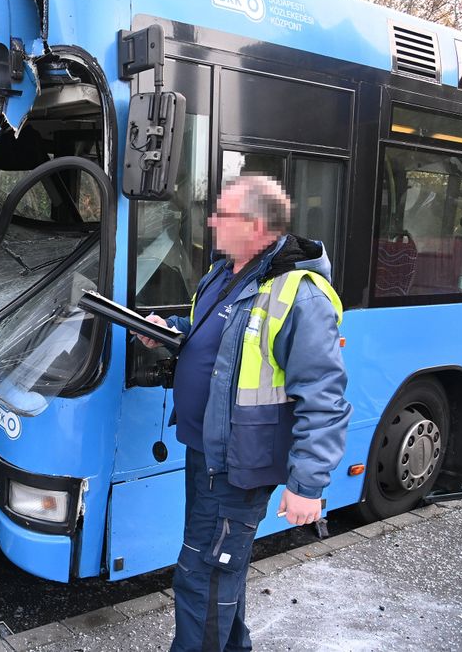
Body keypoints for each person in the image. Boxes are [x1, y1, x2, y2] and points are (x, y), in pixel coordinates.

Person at [136, 174, 351, 651]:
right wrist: (168, 329)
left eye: (223, 215)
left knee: (203, 575)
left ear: (256, 226)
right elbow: (213, 337)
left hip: (239, 465)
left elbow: (324, 394)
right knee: (217, 570)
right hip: (206, 453)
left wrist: (307, 484)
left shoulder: (301, 294)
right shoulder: (224, 272)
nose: (211, 221)